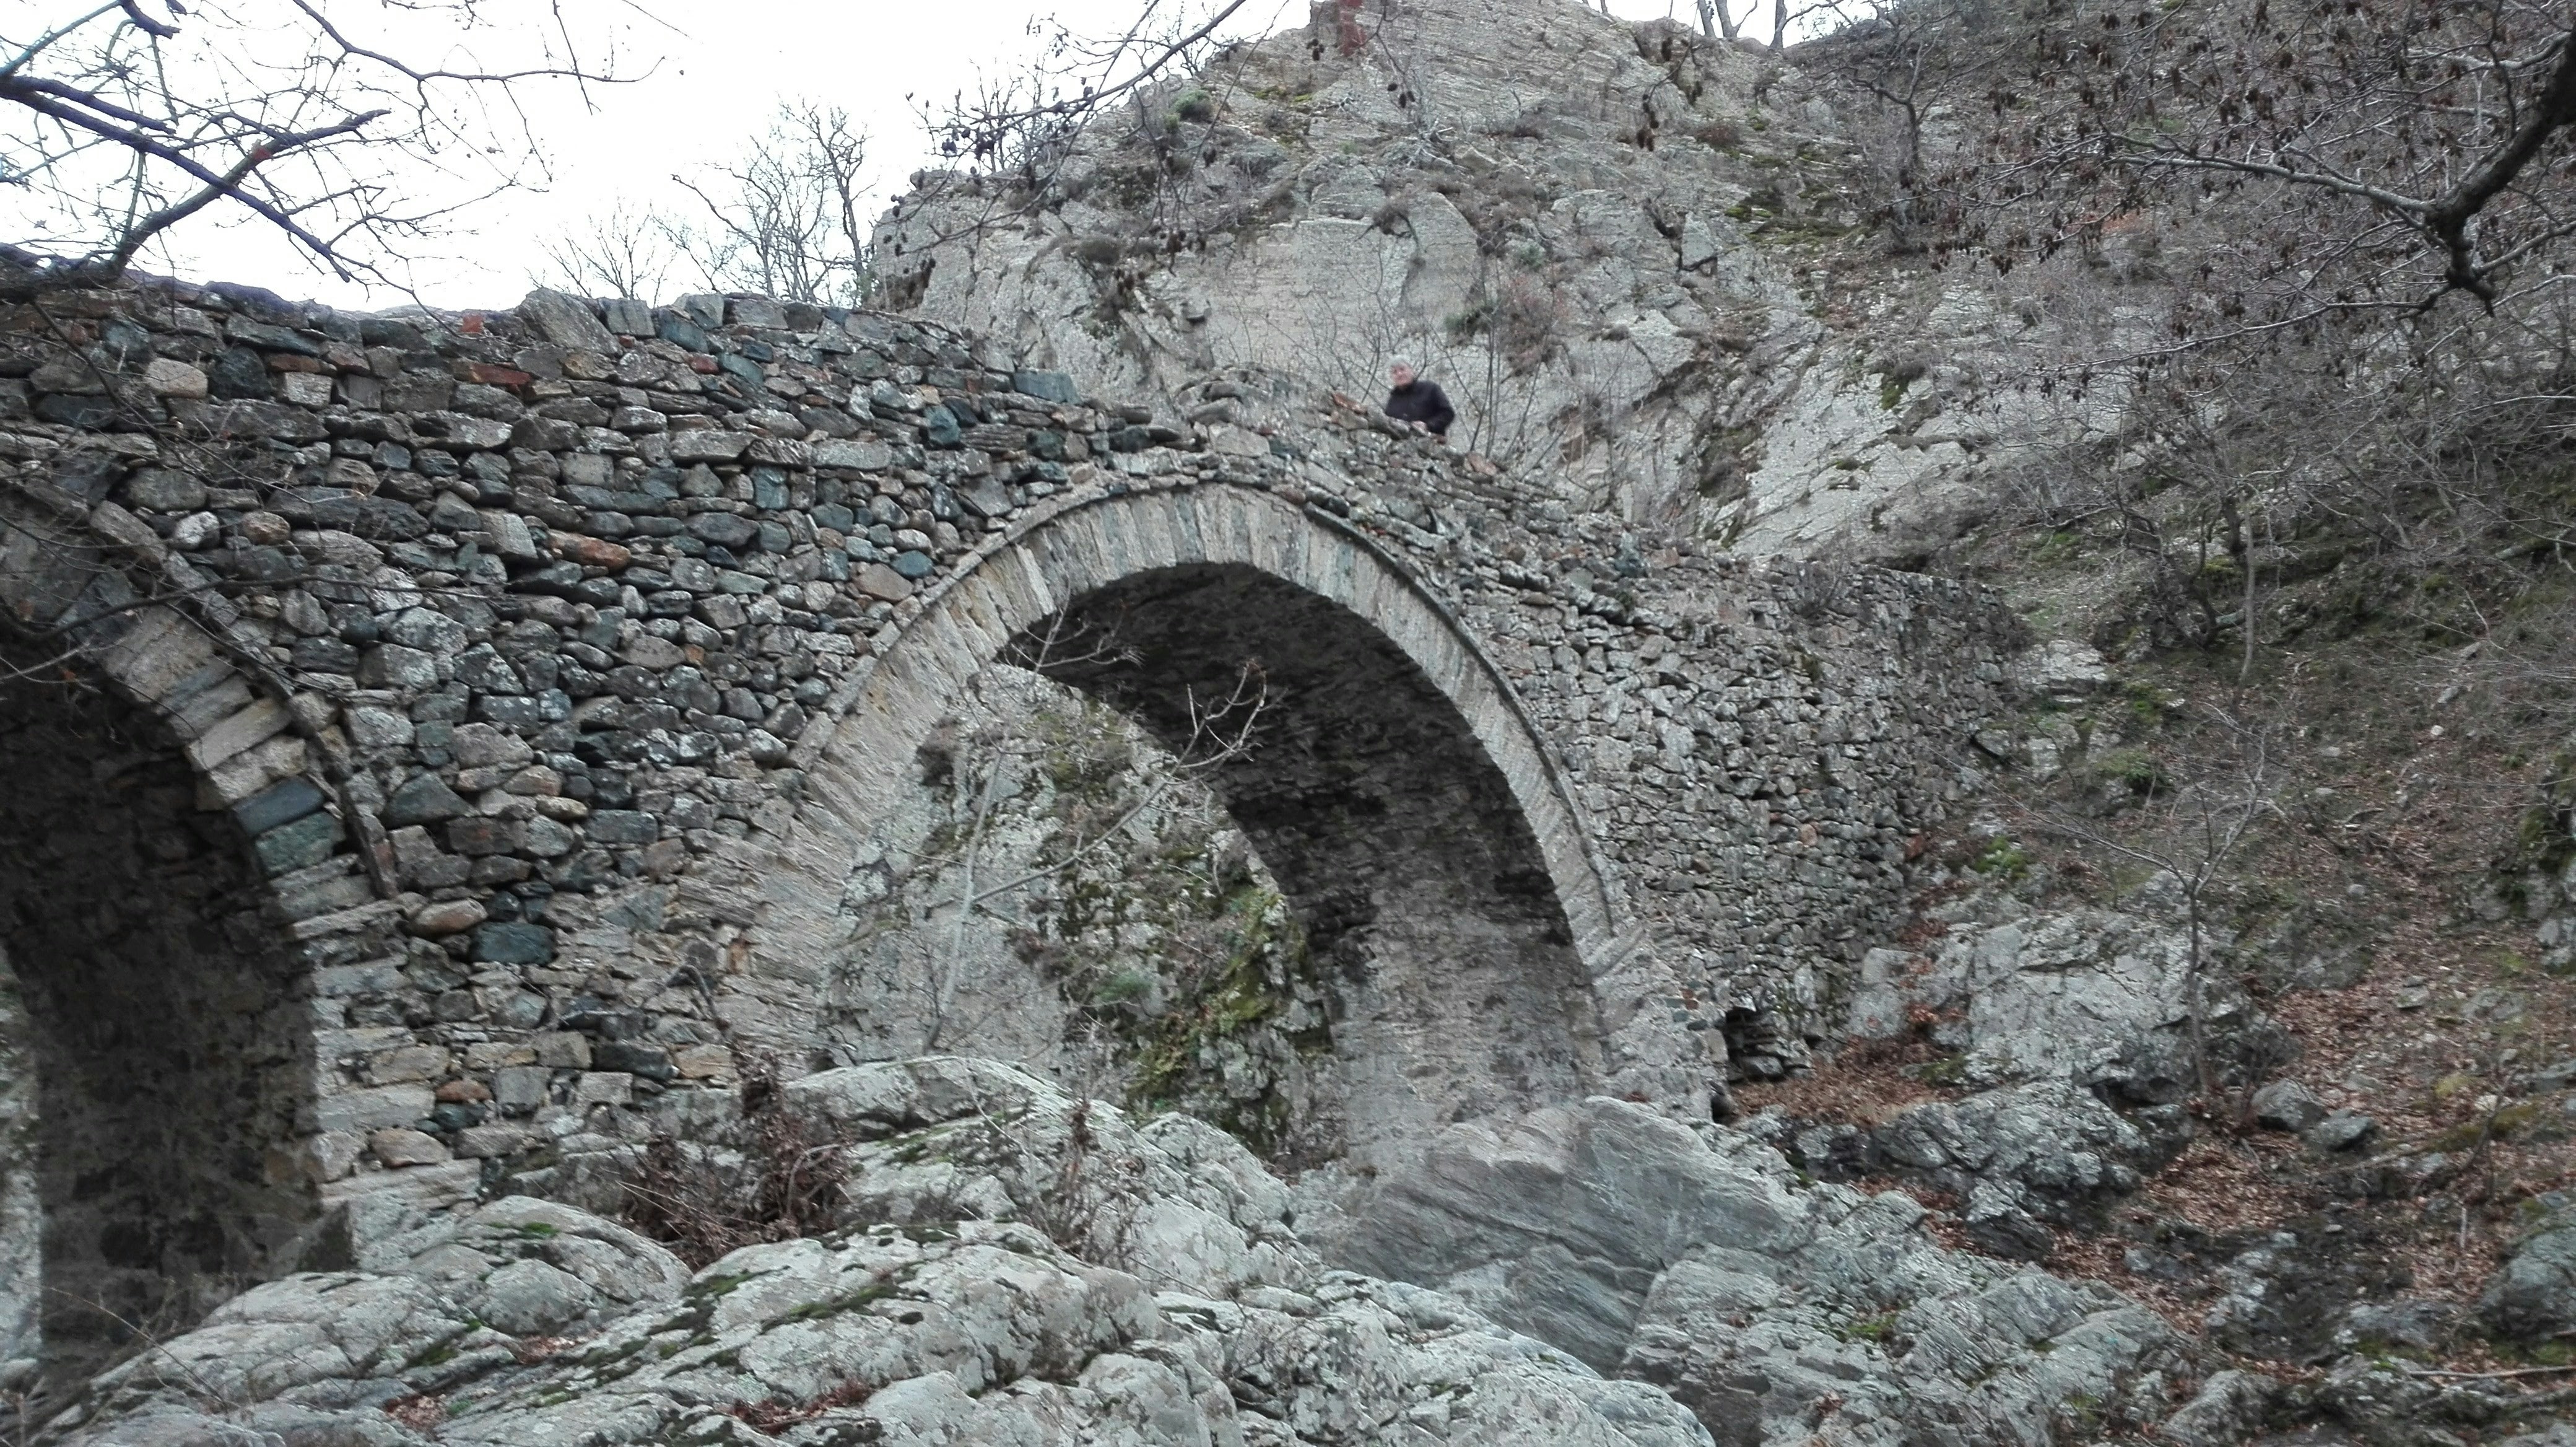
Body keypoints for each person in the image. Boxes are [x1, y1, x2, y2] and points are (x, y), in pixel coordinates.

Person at [1383, 357, 1455, 438]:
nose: (1399, 374)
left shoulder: (1430, 389)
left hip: (1432, 444)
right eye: (1395, 372)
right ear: (1392, 377)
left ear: (1411, 370)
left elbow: (1448, 413)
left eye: (1402, 369)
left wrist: (1428, 426)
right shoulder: (1393, 401)